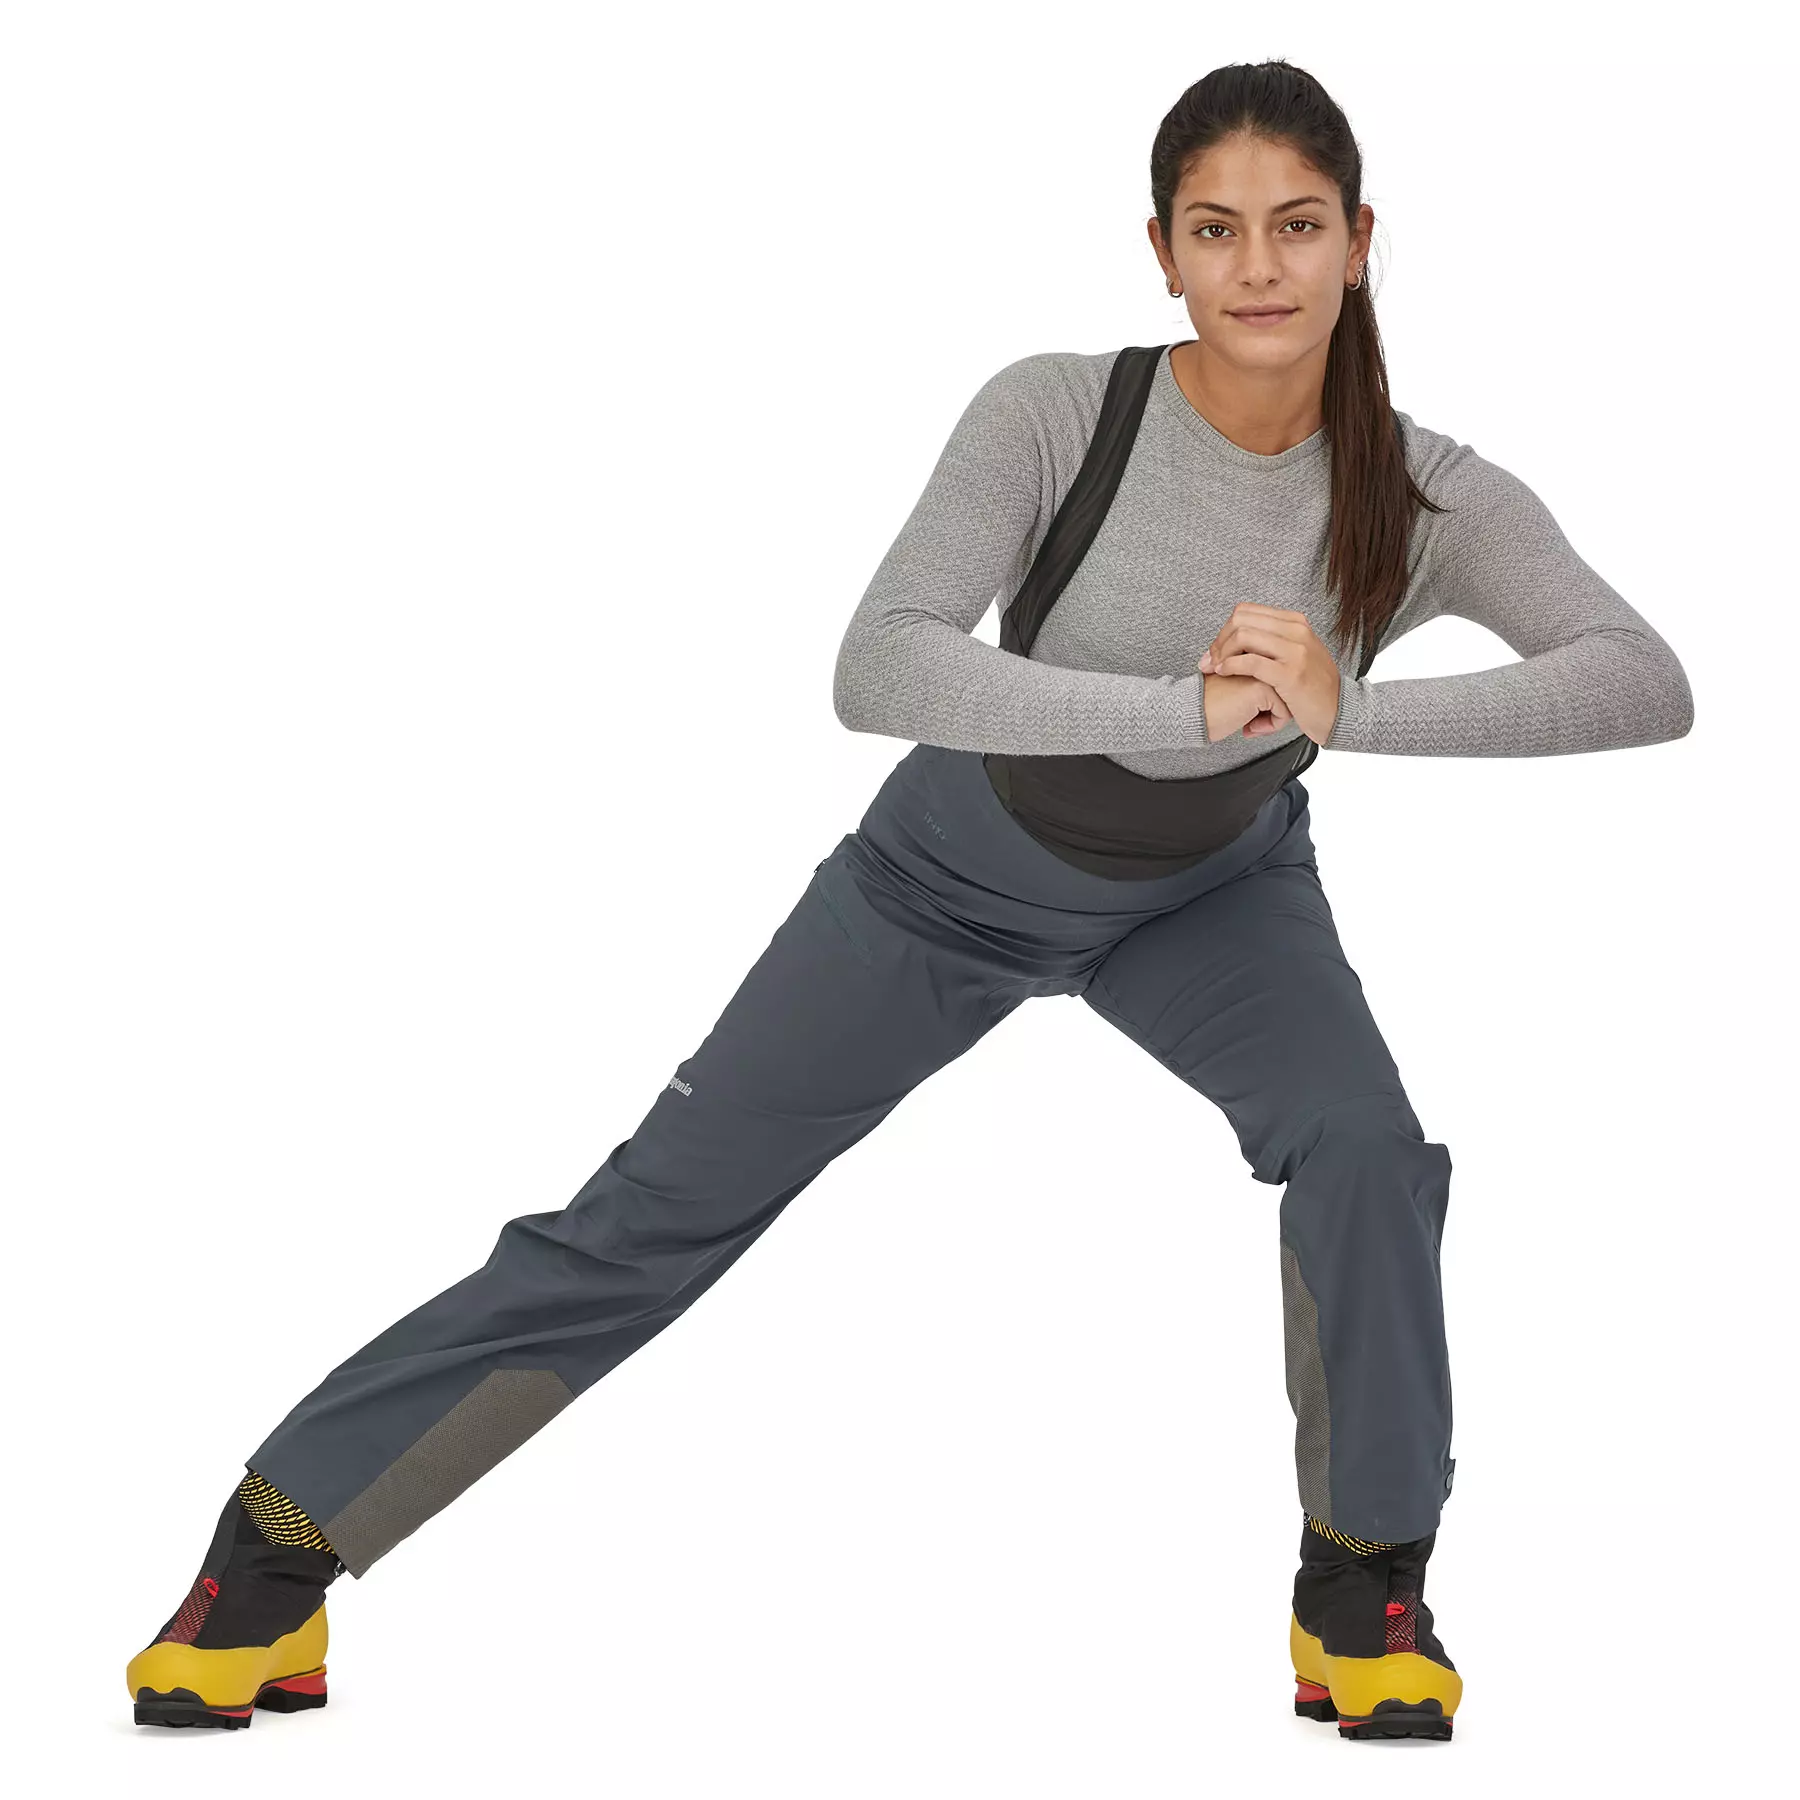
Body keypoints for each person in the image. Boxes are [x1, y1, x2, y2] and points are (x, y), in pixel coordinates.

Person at [125, 59, 1693, 1743]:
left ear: (1362, 240)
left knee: (1367, 1147)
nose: (1259, 267)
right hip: (945, 880)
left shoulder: (1427, 492)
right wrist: (1179, 708)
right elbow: (879, 666)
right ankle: (269, 1556)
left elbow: (1643, 680)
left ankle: (1364, 1587)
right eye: (1216, 228)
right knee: (649, 1222)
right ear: (1161, 250)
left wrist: (1345, 712)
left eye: (1298, 227)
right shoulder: (1054, 410)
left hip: (1215, 894)